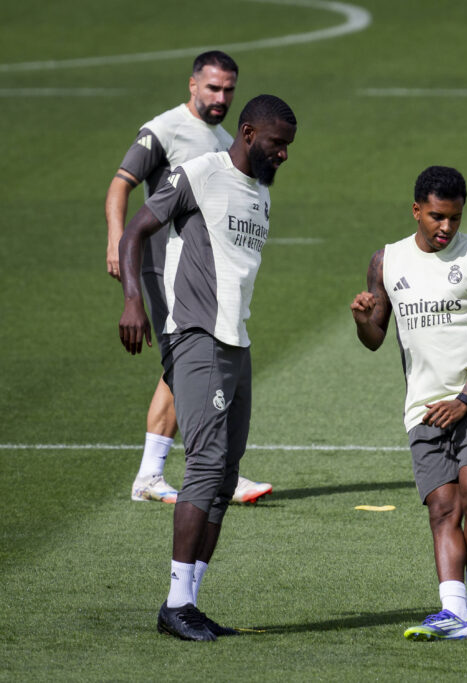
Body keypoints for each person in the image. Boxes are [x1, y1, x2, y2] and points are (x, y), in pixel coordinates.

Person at [118, 94, 298, 640]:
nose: (283, 154)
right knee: (205, 463)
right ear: (248, 133)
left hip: (236, 343)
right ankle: (175, 604)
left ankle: (188, 604)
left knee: (224, 475)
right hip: (196, 336)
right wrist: (133, 300)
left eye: (288, 146)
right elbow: (135, 230)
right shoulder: (201, 173)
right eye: (277, 144)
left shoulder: (261, 194)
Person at [105, 51, 272, 505]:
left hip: (202, 273)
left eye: (228, 90)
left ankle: (165, 472)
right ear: (193, 85)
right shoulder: (165, 129)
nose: (221, 98)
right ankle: (200, 469)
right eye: (213, 88)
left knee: (181, 366)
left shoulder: (224, 141)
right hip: (165, 269)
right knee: (188, 361)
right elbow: (121, 184)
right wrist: (116, 239)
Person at [350, 166, 467, 641]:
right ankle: (453, 614)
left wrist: (464, 399)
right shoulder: (387, 261)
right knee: (442, 507)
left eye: (455, 217)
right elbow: (375, 338)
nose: (447, 227)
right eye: (438, 216)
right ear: (417, 210)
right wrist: (362, 319)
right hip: (422, 407)